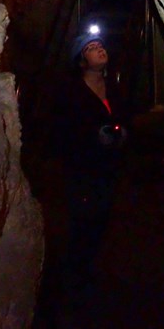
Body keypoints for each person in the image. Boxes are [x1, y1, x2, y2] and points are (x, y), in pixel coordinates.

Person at [59, 27, 128, 298]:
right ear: (82, 61)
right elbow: (65, 130)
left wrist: (122, 133)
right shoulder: (73, 93)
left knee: (102, 221)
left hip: (108, 169)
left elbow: (125, 115)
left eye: (100, 45)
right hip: (82, 170)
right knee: (82, 222)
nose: (99, 48)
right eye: (91, 48)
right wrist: (91, 137)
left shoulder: (114, 88)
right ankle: (75, 278)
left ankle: (91, 272)